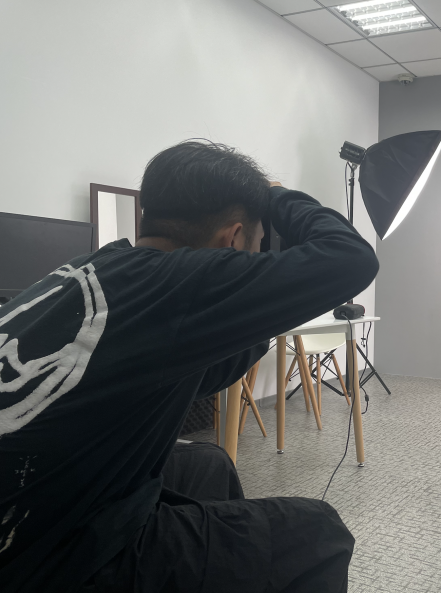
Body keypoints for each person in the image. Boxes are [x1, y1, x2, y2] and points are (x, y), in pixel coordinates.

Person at [0, 140, 379, 592]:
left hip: (40, 504)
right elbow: (352, 257)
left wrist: (257, 317)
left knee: (209, 464)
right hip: (43, 558)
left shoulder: (98, 269)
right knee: (318, 535)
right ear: (232, 240)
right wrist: (276, 193)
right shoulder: (182, 282)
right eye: (257, 245)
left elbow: (198, 376)